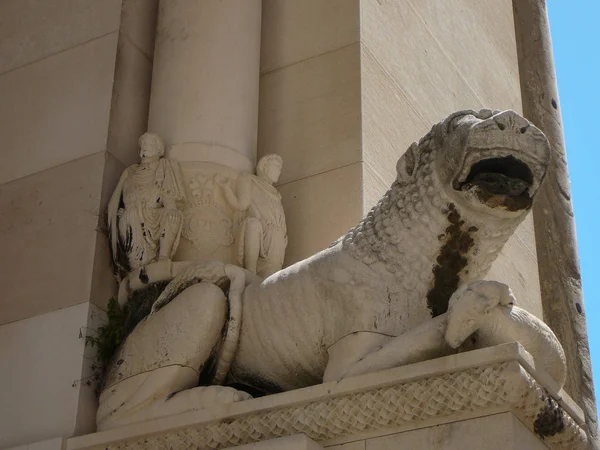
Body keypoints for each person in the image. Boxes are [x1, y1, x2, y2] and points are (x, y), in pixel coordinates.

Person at [108, 133, 185, 277]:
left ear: (158, 149)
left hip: (154, 214)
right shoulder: (130, 171)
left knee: (173, 215)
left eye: (149, 144)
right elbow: (118, 198)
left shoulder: (164, 167)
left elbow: (166, 193)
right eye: (143, 145)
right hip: (132, 214)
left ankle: (163, 258)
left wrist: (172, 208)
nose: (145, 148)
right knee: (130, 217)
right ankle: (135, 271)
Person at [217, 154, 287, 278]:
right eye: (276, 166)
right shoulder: (250, 180)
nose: (279, 171)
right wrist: (226, 187)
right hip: (260, 232)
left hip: (276, 236)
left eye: (280, 168)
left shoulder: (276, 193)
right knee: (252, 224)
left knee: (272, 279)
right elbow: (241, 205)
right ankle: (250, 272)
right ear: (264, 166)